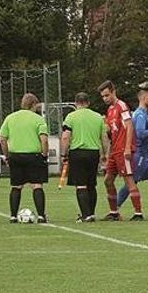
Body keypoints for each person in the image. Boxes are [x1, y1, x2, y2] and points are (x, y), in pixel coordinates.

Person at [0, 93, 50, 224]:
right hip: (34, 156)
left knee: (16, 186)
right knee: (37, 185)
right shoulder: (38, 119)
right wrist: (44, 155)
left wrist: (6, 156)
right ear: (33, 104)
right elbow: (44, 140)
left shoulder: (10, 118)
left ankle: (13, 216)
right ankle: (41, 215)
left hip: (15, 156)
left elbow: (2, 140)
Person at [60, 92, 110, 222]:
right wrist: (105, 154)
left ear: (76, 103)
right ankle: (92, 213)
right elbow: (104, 138)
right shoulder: (98, 117)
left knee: (81, 185)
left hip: (77, 152)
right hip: (93, 153)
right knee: (91, 184)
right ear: (88, 103)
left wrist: (63, 154)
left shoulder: (71, 116)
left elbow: (65, 137)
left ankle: (85, 215)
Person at [118, 84, 148, 219]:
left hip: (146, 155)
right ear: (143, 98)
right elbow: (139, 133)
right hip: (139, 154)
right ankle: (115, 210)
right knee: (131, 183)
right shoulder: (139, 115)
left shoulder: (144, 114)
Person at [98, 80, 142, 221]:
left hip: (123, 150)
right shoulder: (110, 110)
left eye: (107, 95)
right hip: (114, 151)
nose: (105, 98)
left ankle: (138, 213)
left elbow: (129, 126)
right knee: (107, 180)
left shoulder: (122, 106)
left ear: (113, 91)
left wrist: (128, 147)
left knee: (129, 180)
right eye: (103, 96)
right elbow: (112, 133)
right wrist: (107, 152)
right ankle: (114, 212)